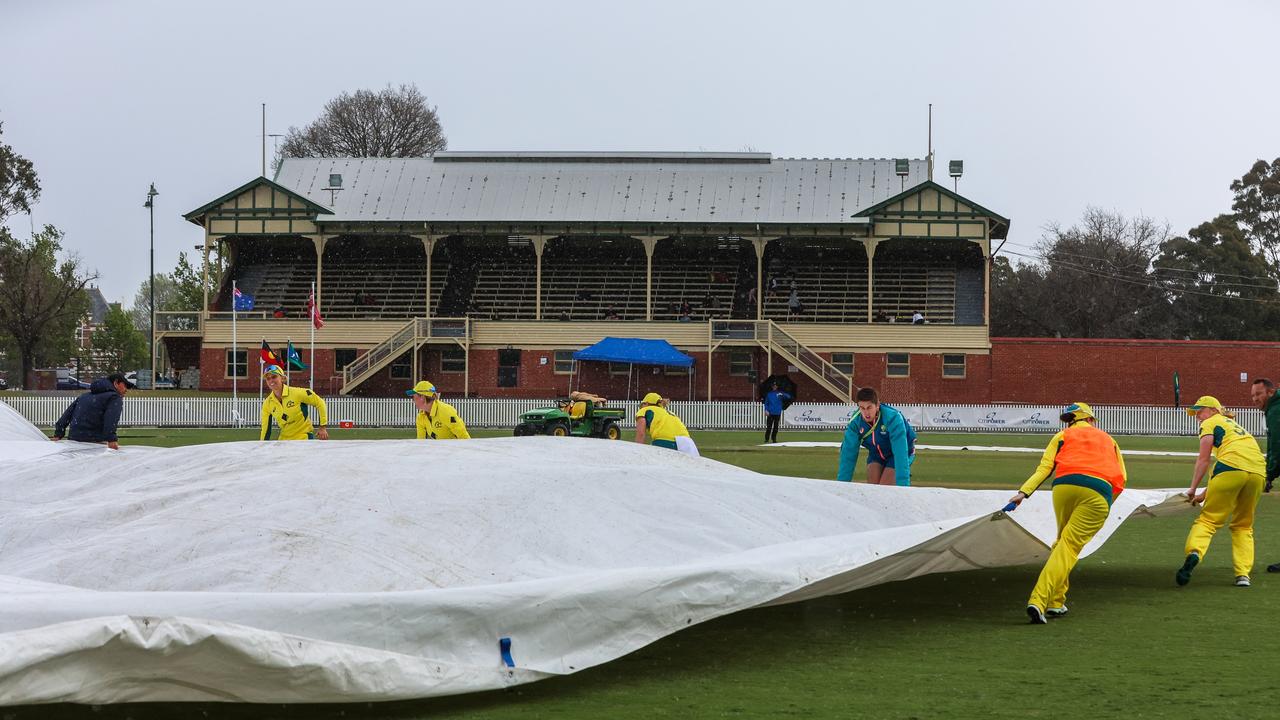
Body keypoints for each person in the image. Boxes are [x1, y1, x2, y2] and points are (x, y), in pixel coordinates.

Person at [1005, 402, 1127, 624]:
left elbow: (1045, 468)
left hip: (1063, 487)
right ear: (1091, 419)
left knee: (1062, 543)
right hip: (1098, 491)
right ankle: (1038, 600)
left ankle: (1056, 602)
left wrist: (1023, 493)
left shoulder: (1062, 435)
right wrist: (1107, 502)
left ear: (1072, 420)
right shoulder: (1109, 440)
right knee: (1069, 548)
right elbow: (1122, 477)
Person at [1176, 396, 1266, 588]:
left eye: (1200, 411)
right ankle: (1243, 575)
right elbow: (1240, 464)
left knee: (1208, 520)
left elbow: (1204, 460)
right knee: (1243, 525)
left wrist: (1193, 489)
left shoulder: (1210, 423)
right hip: (1258, 472)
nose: (1197, 417)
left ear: (1214, 410)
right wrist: (1206, 492)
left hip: (1229, 470)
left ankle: (1194, 553)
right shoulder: (1235, 426)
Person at [837, 387, 916, 485]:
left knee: (884, 486)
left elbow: (900, 453)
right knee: (873, 487)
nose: (866, 413)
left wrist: (903, 486)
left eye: (869, 407)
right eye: (862, 408)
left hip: (900, 453)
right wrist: (841, 486)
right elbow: (848, 455)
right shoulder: (855, 422)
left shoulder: (893, 418)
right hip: (876, 455)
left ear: (877, 405)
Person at [52, 373, 136, 450]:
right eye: (125, 386)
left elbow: (67, 415)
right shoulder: (114, 398)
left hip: (74, 442)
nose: (126, 390)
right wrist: (111, 440)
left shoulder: (83, 396)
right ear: (116, 383)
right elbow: (111, 419)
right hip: (96, 444)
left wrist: (58, 434)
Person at [259, 364, 328, 441]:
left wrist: (323, 427)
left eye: (274, 377)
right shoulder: (267, 403)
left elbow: (320, 403)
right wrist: (262, 445)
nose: (271, 380)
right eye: (268, 379)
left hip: (304, 438)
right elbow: (265, 428)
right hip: (283, 441)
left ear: (282, 378)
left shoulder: (297, 393)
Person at [635, 392, 699, 456]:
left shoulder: (644, 410)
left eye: (641, 405)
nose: (640, 408)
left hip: (665, 441)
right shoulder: (669, 412)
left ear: (646, 403)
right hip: (688, 443)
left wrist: (637, 452)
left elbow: (641, 434)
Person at [1252, 378, 1278, 494]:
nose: (1255, 399)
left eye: (1258, 394)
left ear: (1271, 392)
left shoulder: (1275, 411)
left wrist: (1268, 475)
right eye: (1253, 395)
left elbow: (1277, 446)